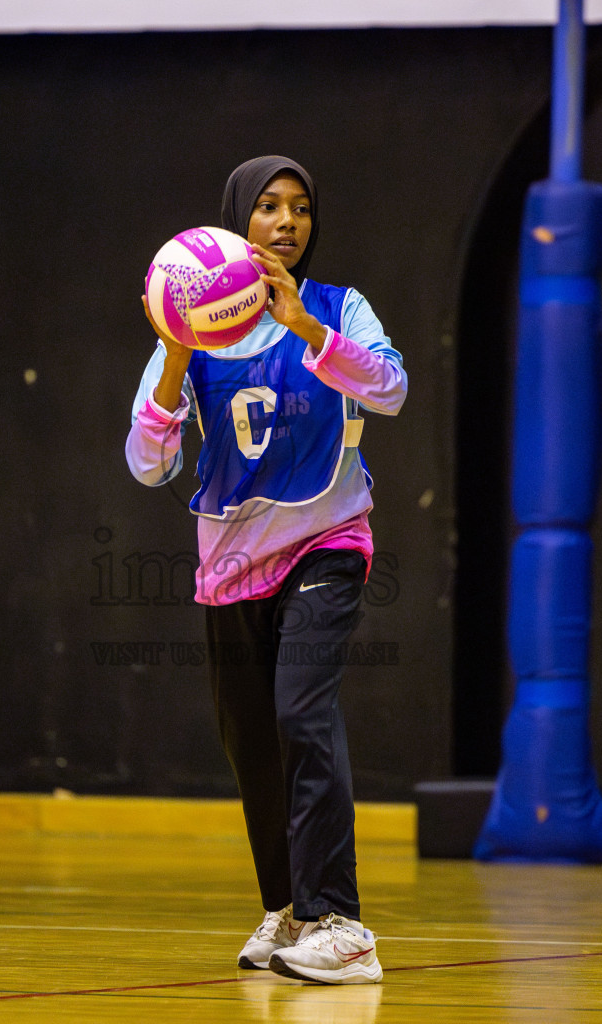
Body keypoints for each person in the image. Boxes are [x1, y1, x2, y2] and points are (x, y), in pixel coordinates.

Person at [125, 156, 405, 984]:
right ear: (234, 222)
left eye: (301, 208)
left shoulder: (338, 307)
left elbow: (390, 388)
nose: (286, 222)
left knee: (300, 713)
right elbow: (147, 464)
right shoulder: (192, 326)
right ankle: (288, 910)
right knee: (251, 742)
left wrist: (310, 332)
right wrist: (175, 355)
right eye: (269, 207)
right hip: (232, 561)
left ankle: (343, 925)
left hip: (327, 542)